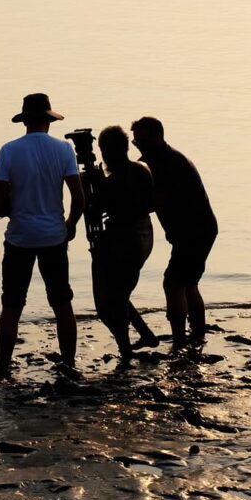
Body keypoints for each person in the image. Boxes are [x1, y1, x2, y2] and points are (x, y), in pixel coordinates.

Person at [0, 93, 85, 375]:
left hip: (19, 238)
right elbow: (78, 198)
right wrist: (71, 224)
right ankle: (69, 362)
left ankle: (3, 367)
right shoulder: (64, 150)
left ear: (25, 122)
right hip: (54, 237)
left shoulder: (8, 151)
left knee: (12, 305)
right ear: (48, 120)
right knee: (62, 302)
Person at [130, 116, 218, 349]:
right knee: (189, 282)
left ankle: (180, 340)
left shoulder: (167, 163)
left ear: (158, 137)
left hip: (194, 231)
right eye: (135, 142)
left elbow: (154, 201)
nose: (139, 146)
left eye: (143, 141)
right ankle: (197, 334)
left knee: (173, 283)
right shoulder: (156, 159)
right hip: (199, 229)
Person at [90, 126, 161, 363]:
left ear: (106, 152)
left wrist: (92, 185)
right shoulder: (143, 170)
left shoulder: (113, 181)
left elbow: (94, 209)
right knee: (120, 291)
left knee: (108, 303)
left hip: (124, 241)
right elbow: (151, 205)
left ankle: (125, 351)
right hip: (145, 236)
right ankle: (145, 334)